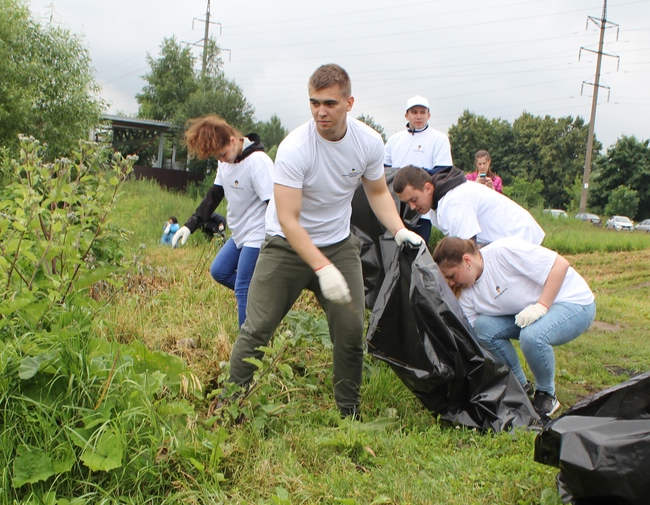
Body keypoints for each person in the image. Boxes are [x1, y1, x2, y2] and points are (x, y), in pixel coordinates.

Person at [226, 64, 424, 419]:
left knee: (350, 331)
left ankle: (348, 414)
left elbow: (377, 191)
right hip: (285, 246)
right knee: (257, 328)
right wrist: (320, 266)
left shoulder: (367, 142)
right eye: (314, 102)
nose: (321, 111)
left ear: (349, 102)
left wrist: (399, 230)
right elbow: (288, 218)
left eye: (330, 103)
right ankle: (228, 407)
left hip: (337, 243)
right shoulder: (295, 148)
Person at [432, 235, 595, 420]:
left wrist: (542, 305)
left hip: (573, 303)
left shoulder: (503, 252)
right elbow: (470, 338)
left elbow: (560, 265)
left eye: (452, 276)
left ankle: (546, 394)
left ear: (467, 260)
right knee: (483, 328)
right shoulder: (467, 293)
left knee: (532, 336)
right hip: (529, 313)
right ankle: (519, 385)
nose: (451, 283)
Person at [177, 116, 274, 327]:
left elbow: (273, 204)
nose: (221, 160)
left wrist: (280, 241)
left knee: (242, 287)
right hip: (239, 232)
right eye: (216, 157)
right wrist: (190, 224)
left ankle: (247, 351)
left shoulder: (258, 162)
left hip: (258, 233)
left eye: (222, 154)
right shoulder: (225, 164)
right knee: (219, 271)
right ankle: (265, 299)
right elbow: (214, 196)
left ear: (233, 140)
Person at [392, 165, 544, 246]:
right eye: (407, 203)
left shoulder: (454, 201)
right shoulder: (437, 204)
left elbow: (467, 251)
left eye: (414, 199)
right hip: (502, 241)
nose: (412, 207)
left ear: (428, 188)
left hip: (521, 237)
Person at [383, 95, 453, 243]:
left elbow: (444, 170)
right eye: (414, 112)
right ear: (406, 115)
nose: (419, 116)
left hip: (422, 211)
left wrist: (414, 176)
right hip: (396, 208)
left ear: (429, 115)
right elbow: (384, 170)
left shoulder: (439, 139)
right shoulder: (394, 140)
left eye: (422, 112)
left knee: (418, 249)